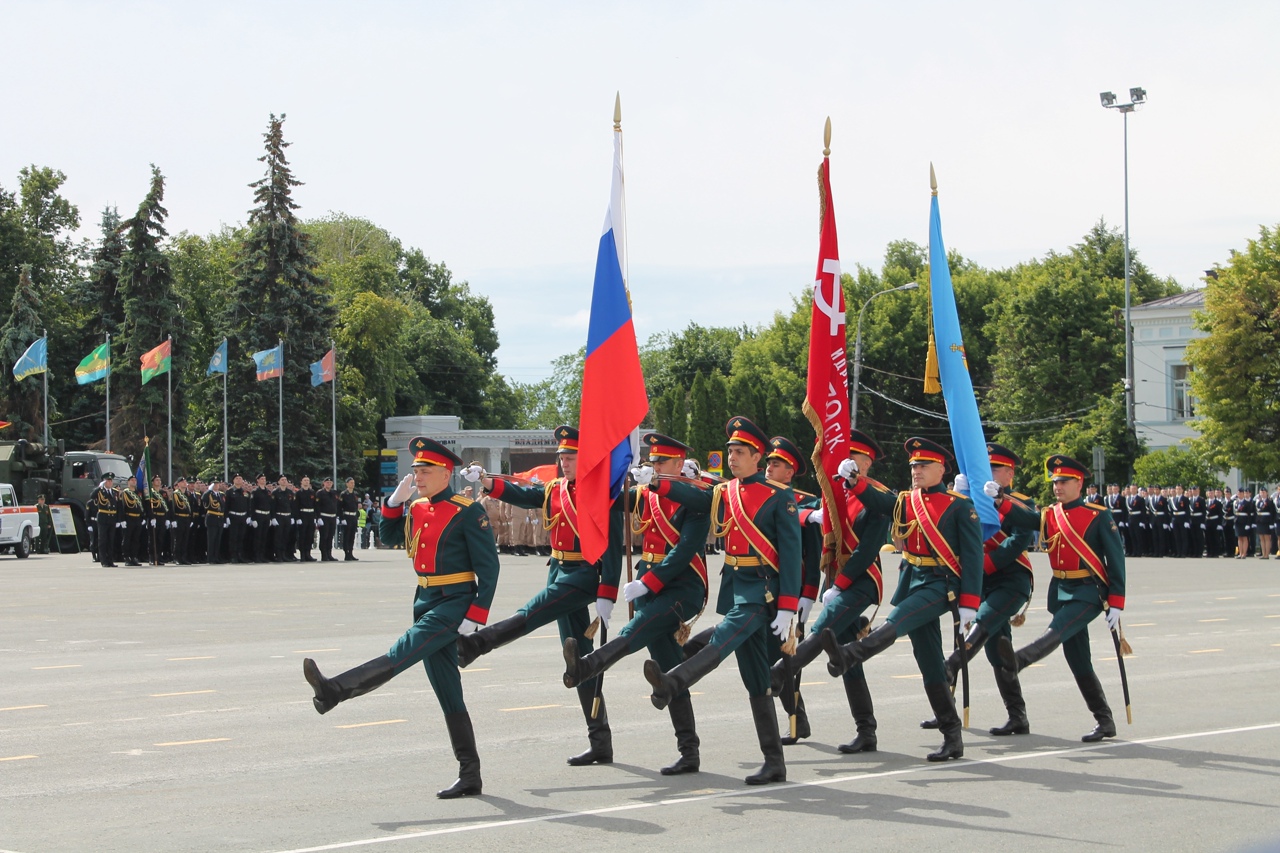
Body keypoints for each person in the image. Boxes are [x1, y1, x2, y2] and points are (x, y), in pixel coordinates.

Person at [304, 437, 500, 799]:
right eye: (415, 471)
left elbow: (489, 568)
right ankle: (470, 774)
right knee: (448, 694)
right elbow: (389, 536)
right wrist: (394, 503)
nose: (418, 477)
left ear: (446, 473)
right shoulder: (419, 508)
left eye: (425, 471)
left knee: (401, 653)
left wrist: (475, 615)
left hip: (452, 603)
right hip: (424, 599)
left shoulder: (467, 511)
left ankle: (335, 690)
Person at [641, 416, 801, 785]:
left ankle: (673, 682)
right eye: (729, 451)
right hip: (735, 586)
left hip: (760, 591)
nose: (732, 457)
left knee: (724, 636)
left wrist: (789, 604)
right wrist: (658, 482)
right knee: (756, 677)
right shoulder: (724, 491)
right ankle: (774, 762)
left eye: (740, 452)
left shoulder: (779, 496)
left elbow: (791, 555)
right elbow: (694, 494)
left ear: (757, 456)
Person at [461, 425, 624, 767]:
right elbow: (525, 496)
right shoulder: (555, 488)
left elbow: (611, 545)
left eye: (571, 457)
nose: (565, 462)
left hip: (582, 575)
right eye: (562, 457)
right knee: (580, 657)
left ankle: (479, 643)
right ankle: (600, 741)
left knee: (532, 612)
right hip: (559, 569)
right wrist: (489, 483)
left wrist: (608, 591)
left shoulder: (601, 493)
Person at [821, 437, 983, 763]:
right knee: (929, 661)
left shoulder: (959, 506)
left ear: (941, 468)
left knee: (899, 620)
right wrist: (855, 481)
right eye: (913, 466)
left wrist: (969, 603)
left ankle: (853, 653)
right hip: (914, 579)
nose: (916, 471)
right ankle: (952, 736)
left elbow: (973, 557)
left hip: (942, 585)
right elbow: (880, 503)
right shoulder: (908, 500)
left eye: (923, 465)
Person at [560, 432, 711, 775]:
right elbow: (611, 500)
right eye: (652, 460)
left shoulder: (699, 495)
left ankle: (586, 666)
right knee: (670, 668)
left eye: (661, 462)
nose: (654, 465)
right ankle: (689, 751)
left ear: (677, 464)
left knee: (637, 628)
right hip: (649, 587)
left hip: (682, 588)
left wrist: (647, 582)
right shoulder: (647, 494)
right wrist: (596, 475)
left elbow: (685, 550)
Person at [769, 429, 895, 755]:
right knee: (848, 655)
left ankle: (781, 672)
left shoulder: (877, 495)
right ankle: (866, 731)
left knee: (822, 630)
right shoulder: (837, 491)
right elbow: (792, 505)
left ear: (866, 463)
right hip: (835, 580)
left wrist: (838, 585)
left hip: (861, 580)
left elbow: (867, 550)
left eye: (853, 458)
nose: (846, 463)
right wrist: (810, 515)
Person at [996, 454, 1126, 742]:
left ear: (1078, 483)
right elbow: (1025, 517)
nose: (1058, 487)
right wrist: (1002, 500)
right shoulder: (1050, 514)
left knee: (1058, 630)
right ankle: (1105, 720)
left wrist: (1116, 602)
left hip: (1089, 591)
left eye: (1064, 481)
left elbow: (1116, 560)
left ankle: (1019, 660)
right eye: (1055, 482)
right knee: (1078, 660)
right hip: (1063, 590)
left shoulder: (1098, 514)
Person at [920, 443, 1040, 736]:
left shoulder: (1022, 502)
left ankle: (949, 668)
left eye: (994, 469)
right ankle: (1014, 716)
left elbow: (1018, 541)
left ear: (1009, 474)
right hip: (978, 582)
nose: (987, 474)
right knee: (996, 651)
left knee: (980, 627)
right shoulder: (967, 499)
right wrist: (957, 493)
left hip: (1010, 580)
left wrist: (983, 565)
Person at [88, 474, 119, 567]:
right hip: (103, 517)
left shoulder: (115, 492)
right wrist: (99, 487)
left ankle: (110, 560)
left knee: (111, 540)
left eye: (110, 481)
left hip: (112, 518)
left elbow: (118, 506)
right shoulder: (100, 491)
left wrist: (118, 519)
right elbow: (92, 496)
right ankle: (104, 561)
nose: (109, 482)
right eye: (107, 481)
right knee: (103, 540)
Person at [119, 476, 145, 567]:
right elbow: (121, 507)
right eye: (132, 480)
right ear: (128, 482)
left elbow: (141, 506)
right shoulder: (125, 493)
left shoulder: (138, 493)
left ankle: (134, 557)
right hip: (128, 518)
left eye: (135, 480)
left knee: (136, 540)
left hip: (137, 519)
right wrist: (122, 519)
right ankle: (126, 557)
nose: (134, 482)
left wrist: (142, 517)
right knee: (127, 539)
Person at [251, 473, 274, 563]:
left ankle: (262, 555)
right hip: (258, 515)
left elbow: (270, 505)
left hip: (266, 515)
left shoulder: (268, 492)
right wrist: (253, 519)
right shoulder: (255, 491)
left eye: (264, 479)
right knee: (258, 537)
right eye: (261, 479)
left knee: (264, 537)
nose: (263, 480)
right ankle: (256, 556)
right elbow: (252, 506)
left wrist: (271, 518)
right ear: (258, 481)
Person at [273, 475, 297, 562]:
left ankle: (284, 554)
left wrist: (292, 517)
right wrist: (273, 518)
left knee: (286, 536)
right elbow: (273, 506)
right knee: (278, 537)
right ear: (278, 482)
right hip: (279, 516)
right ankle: (278, 555)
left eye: (285, 480)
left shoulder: (290, 493)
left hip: (287, 516)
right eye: (282, 480)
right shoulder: (275, 492)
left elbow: (293, 506)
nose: (284, 481)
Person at [203, 479, 227, 565]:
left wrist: (224, 519)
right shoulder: (209, 494)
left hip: (220, 518)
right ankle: (210, 558)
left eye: (218, 484)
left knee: (218, 539)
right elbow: (204, 500)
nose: (217, 485)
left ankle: (216, 557)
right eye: (215, 484)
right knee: (211, 539)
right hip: (212, 518)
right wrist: (208, 491)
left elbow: (224, 507)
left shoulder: (221, 494)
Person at [316, 477, 340, 562]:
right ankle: (324, 555)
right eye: (327, 482)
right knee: (324, 536)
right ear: (324, 483)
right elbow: (317, 506)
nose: (329, 483)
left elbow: (337, 505)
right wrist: (318, 518)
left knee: (330, 536)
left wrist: (337, 516)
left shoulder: (334, 493)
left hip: (332, 517)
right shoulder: (320, 493)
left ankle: (329, 554)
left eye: (330, 482)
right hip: (324, 517)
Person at [171, 477, 193, 565]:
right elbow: (173, 507)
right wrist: (173, 519)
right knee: (178, 539)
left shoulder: (188, 494)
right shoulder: (176, 494)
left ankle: (183, 557)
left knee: (185, 539)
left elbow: (191, 507)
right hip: (179, 518)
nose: (184, 483)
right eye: (182, 482)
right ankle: (176, 557)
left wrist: (191, 519)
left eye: (185, 481)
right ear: (178, 484)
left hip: (186, 518)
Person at [295, 475, 317, 561]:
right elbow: (296, 506)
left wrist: (315, 517)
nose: (306, 482)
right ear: (301, 482)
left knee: (310, 535)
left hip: (310, 515)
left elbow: (315, 505)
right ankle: (302, 555)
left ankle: (308, 553)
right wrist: (298, 518)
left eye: (308, 480)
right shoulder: (298, 493)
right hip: (302, 514)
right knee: (302, 536)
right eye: (305, 480)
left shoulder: (312, 492)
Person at [339, 477, 361, 561]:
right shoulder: (344, 494)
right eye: (351, 483)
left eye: (353, 483)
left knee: (352, 536)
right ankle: (346, 553)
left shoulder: (355, 494)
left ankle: (351, 553)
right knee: (347, 536)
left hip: (353, 516)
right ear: (347, 484)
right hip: (347, 516)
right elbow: (340, 507)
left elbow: (356, 505)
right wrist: (342, 518)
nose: (353, 484)